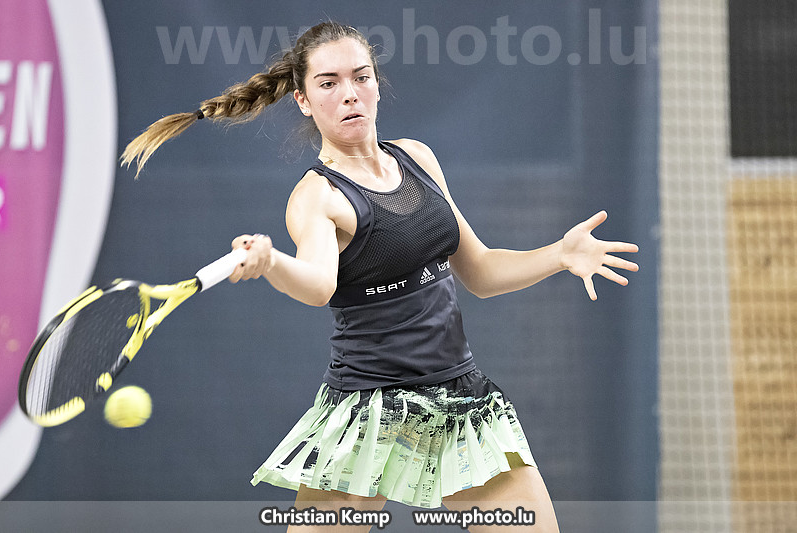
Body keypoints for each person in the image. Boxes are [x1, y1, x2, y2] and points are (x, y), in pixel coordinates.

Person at [122, 20, 638, 533]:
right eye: (328, 83)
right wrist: (273, 262)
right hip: (366, 411)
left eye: (360, 77)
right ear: (303, 100)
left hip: (460, 401)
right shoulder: (317, 196)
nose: (349, 94)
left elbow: (480, 271)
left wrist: (559, 254)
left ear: (375, 83)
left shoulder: (418, 158)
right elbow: (318, 284)